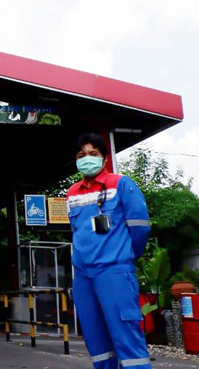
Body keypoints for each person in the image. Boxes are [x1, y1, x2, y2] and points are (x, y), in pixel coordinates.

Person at [67, 133, 151, 369]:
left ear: (104, 158)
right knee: (97, 342)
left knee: (127, 339)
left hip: (114, 272)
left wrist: (123, 259)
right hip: (83, 276)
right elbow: (77, 231)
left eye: (93, 154)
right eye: (81, 155)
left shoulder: (122, 184)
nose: (87, 159)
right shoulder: (72, 192)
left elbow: (140, 229)